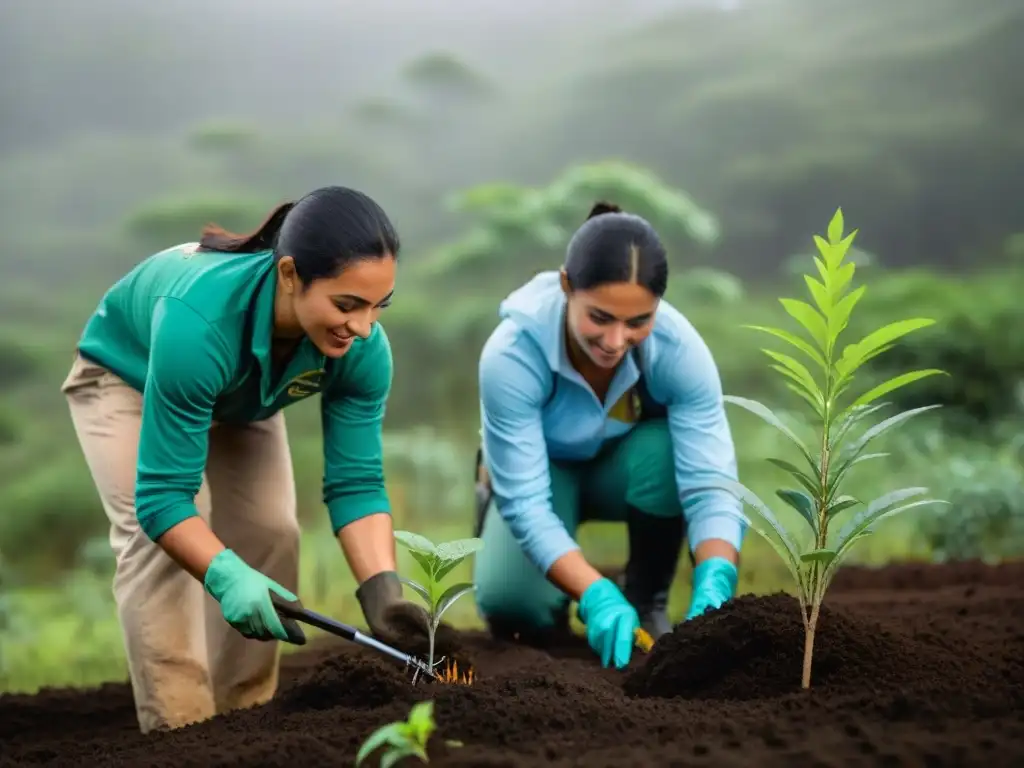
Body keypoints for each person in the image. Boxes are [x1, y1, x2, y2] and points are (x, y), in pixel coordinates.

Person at [62, 186, 427, 734]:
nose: (364, 327)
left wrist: (383, 591)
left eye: (379, 306)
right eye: (347, 305)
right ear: (288, 275)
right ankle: (180, 734)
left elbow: (357, 483)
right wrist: (227, 576)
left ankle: (245, 722)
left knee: (271, 530)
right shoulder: (198, 322)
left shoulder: (362, 348)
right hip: (128, 376)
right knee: (160, 541)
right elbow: (163, 501)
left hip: (241, 392)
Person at [472, 201, 748, 670]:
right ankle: (561, 602)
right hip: (545, 475)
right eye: (599, 318)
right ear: (566, 287)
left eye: (637, 321)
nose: (616, 341)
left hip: (629, 466)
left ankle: (645, 601)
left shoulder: (679, 350)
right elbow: (528, 503)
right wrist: (595, 593)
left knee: (667, 450)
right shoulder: (512, 353)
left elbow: (711, 484)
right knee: (512, 607)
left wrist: (716, 580)